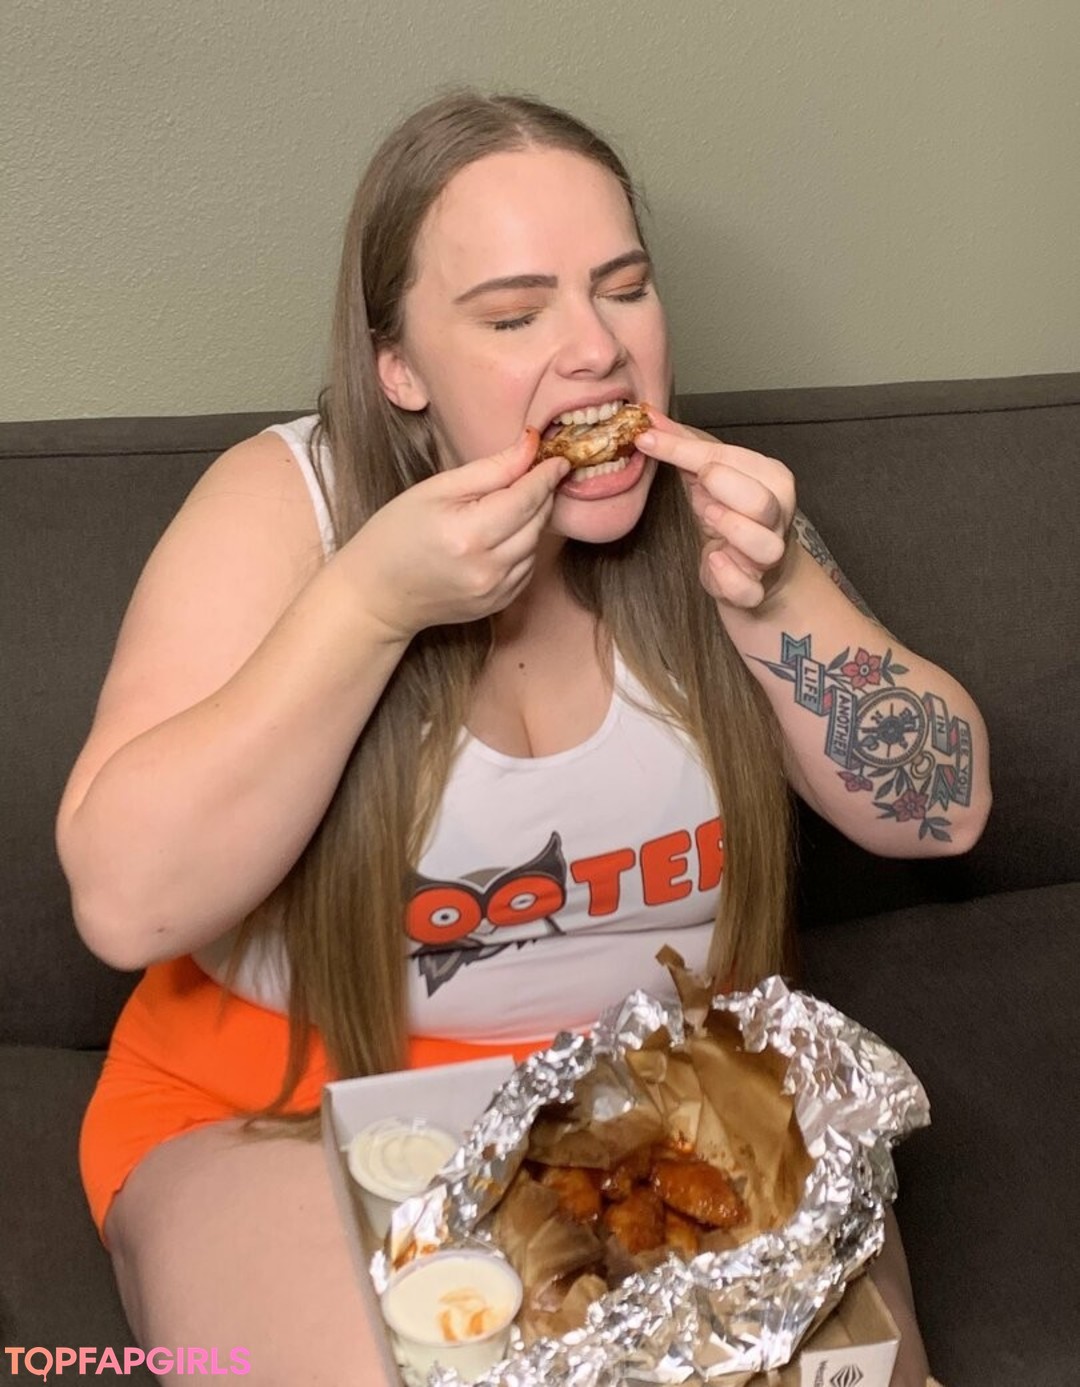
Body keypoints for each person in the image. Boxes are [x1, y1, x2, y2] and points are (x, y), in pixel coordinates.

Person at [58, 90, 985, 1386]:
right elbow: (124, 904)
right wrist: (369, 607)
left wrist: (778, 599)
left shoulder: (727, 517)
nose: (596, 350)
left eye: (625, 290)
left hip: (677, 1112)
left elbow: (941, 812)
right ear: (399, 368)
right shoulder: (287, 508)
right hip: (280, 1112)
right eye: (513, 315)